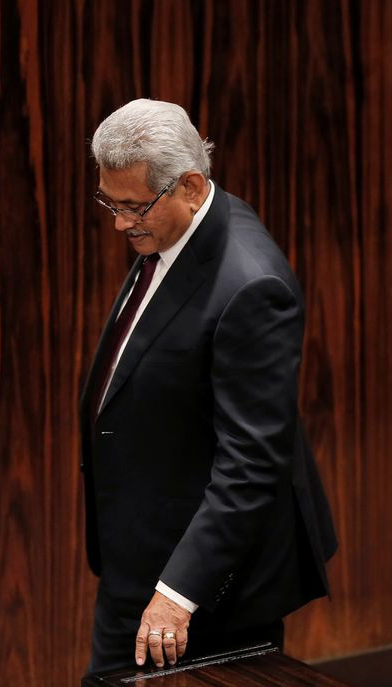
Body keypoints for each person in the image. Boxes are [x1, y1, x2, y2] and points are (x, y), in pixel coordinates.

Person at [79, 98, 337, 675]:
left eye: (132, 206)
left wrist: (177, 594)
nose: (120, 222)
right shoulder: (178, 228)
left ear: (191, 186)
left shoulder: (250, 287)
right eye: (109, 203)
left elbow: (252, 462)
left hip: (199, 584)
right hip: (143, 549)